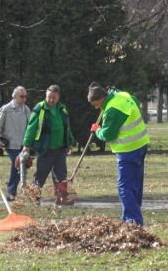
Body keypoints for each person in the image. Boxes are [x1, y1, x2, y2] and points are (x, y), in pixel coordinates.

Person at [88, 82, 150, 226]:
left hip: (127, 150)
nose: (95, 107)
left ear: (101, 98)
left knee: (125, 187)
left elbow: (108, 135)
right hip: (141, 144)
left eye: (95, 103)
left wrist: (97, 129)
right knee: (135, 184)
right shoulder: (123, 95)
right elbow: (135, 101)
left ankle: (132, 221)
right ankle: (130, 218)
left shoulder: (112, 109)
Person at [22, 85, 75, 205]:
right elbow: (31, 128)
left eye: (54, 98)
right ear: (46, 96)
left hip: (60, 148)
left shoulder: (62, 109)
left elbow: (67, 127)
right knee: (41, 175)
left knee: (61, 174)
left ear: (58, 97)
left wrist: (70, 142)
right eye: (49, 97)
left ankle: (61, 198)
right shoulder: (39, 109)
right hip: (45, 149)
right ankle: (33, 198)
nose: (51, 100)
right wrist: (26, 145)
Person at [0, 86, 31, 201]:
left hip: (23, 145)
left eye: (25, 96)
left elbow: (31, 126)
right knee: (18, 163)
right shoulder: (6, 109)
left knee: (22, 166)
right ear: (14, 96)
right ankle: (11, 191)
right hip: (11, 144)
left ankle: (14, 190)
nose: (24, 99)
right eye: (21, 96)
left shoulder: (27, 109)